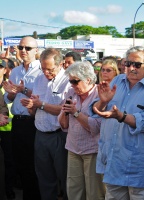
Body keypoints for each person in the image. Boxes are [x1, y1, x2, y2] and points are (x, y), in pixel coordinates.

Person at [91, 46, 144, 199]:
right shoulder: (117, 80)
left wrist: (121, 116)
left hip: (140, 164)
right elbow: (97, 110)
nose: (131, 68)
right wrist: (103, 102)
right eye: (128, 64)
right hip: (114, 162)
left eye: (137, 64)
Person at [20, 48, 70, 200]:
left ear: (61, 64)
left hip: (60, 136)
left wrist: (40, 104)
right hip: (40, 135)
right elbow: (35, 109)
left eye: (50, 69)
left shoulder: (68, 80)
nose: (46, 73)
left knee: (65, 177)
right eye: (43, 69)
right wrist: (31, 106)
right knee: (44, 178)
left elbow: (64, 110)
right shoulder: (39, 79)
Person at [58, 61, 105, 200]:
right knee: (73, 191)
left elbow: (96, 127)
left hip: (92, 150)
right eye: (70, 81)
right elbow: (63, 125)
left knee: (94, 192)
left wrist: (76, 113)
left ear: (88, 79)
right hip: (73, 148)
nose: (72, 85)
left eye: (75, 81)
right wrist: (65, 112)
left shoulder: (99, 95)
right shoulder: (71, 93)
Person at [3, 36, 42, 200]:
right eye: (21, 48)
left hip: (34, 122)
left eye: (27, 48)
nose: (23, 51)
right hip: (18, 122)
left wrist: (23, 90)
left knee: (35, 166)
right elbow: (9, 99)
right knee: (21, 165)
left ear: (36, 51)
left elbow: (44, 98)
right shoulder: (17, 70)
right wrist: (11, 94)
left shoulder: (42, 70)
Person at [0, 59, 15, 200]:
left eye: (0, 67)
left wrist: (4, 117)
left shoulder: (9, 86)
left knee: (9, 162)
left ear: (5, 70)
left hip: (9, 130)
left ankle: (8, 189)